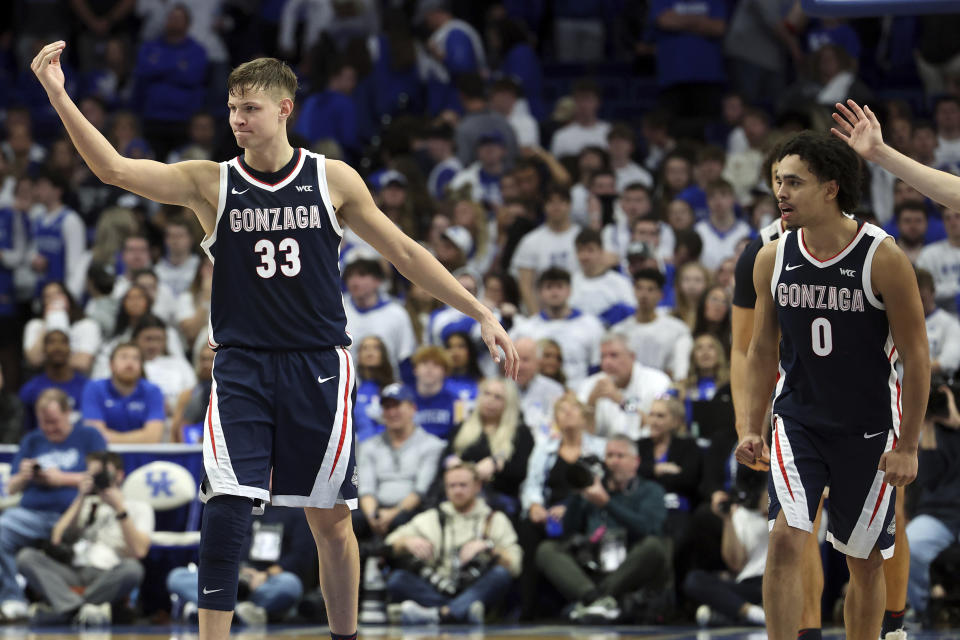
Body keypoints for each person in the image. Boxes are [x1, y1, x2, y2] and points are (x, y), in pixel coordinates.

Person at [37, 39, 512, 639]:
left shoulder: (331, 178)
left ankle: (347, 636)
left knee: (329, 520)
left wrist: (480, 312)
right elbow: (113, 169)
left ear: (285, 109)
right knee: (227, 504)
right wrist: (59, 94)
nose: (238, 119)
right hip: (242, 366)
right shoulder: (209, 182)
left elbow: (406, 253)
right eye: (233, 107)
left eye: (250, 108)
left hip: (318, 366)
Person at [738, 131, 929, 640]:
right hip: (798, 419)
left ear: (830, 188)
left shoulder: (882, 258)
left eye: (794, 182)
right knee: (784, 541)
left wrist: (908, 445)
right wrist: (752, 425)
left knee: (862, 562)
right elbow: (761, 350)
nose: (781, 191)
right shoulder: (771, 256)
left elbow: (917, 357)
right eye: (778, 180)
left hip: (868, 428)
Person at [535, 435, 669, 623]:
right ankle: (597, 600)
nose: (613, 462)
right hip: (592, 564)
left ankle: (593, 601)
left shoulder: (650, 490)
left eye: (620, 456)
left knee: (654, 546)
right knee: (546, 549)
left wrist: (607, 503)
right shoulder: (593, 489)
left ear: (635, 462)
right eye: (609, 456)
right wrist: (577, 492)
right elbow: (569, 532)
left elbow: (648, 528)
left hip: (627, 567)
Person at [0, 389, 107, 620]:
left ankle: (88, 602)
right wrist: (24, 475)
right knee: (2, 529)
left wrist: (62, 478)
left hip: (76, 515)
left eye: (55, 422)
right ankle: (13, 598)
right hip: (33, 515)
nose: (50, 429)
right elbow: (11, 488)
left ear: (68, 413)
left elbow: (104, 478)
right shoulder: (32, 440)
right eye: (44, 423)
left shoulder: (89, 436)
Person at [17, 451, 153, 626]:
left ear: (119, 475)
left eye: (102, 474)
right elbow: (56, 538)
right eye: (92, 475)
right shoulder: (86, 504)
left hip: (108, 574)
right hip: (74, 570)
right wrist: (80, 497)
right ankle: (79, 610)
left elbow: (140, 551)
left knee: (133, 570)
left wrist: (119, 508)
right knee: (26, 557)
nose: (97, 479)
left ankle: (67, 609)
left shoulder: (139, 507)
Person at [384, 462, 521, 625]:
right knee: (397, 579)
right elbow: (389, 542)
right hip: (438, 586)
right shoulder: (432, 517)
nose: (457, 490)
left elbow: (515, 565)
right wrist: (407, 542)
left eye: (463, 485)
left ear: (477, 486)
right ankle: (461, 611)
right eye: (452, 486)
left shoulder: (494, 519)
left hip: (476, 586)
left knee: (500, 575)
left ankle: (438, 614)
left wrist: (489, 548)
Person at [356, 384, 446, 540]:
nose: (392, 412)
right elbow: (366, 489)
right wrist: (372, 516)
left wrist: (392, 514)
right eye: (387, 407)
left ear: (413, 408)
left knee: (403, 520)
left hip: (412, 510)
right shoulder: (369, 446)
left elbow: (420, 491)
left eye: (397, 406)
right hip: (375, 510)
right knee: (341, 522)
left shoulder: (432, 445)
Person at [440, 378, 534, 516]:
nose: (490, 400)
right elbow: (445, 459)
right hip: (458, 494)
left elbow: (521, 471)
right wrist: (453, 464)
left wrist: (497, 466)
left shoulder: (520, 432)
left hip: (498, 498)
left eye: (498, 397)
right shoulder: (462, 426)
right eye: (487, 394)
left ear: (508, 404)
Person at [578, 332, 671, 440]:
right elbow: (584, 435)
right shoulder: (590, 384)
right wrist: (591, 402)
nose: (606, 362)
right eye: (603, 356)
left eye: (614, 355)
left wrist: (622, 401)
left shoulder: (657, 381)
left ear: (632, 357)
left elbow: (657, 426)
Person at [82, 343, 165, 444]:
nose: (130, 363)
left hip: (143, 456)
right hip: (106, 455)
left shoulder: (153, 391)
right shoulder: (94, 388)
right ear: (111, 365)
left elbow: (153, 437)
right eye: (123, 357)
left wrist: (111, 437)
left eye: (136, 358)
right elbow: (94, 436)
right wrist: (142, 437)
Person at [19, 329, 88, 432]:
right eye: (51, 342)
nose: (58, 347)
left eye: (63, 342)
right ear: (44, 349)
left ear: (70, 349)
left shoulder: (87, 387)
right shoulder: (30, 389)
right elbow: (25, 429)